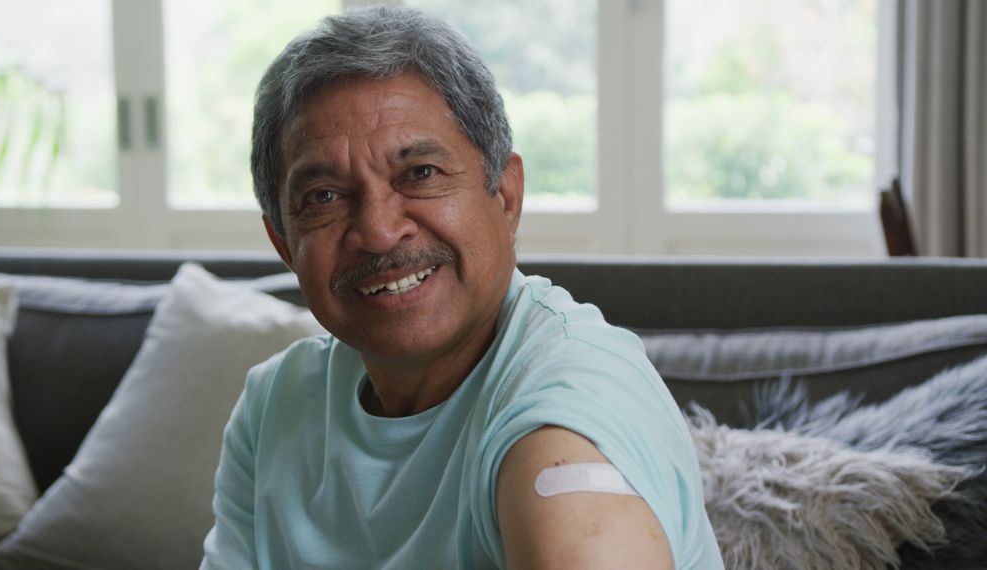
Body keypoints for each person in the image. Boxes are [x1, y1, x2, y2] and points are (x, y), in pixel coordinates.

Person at [201, 6, 722, 569]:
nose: (378, 232)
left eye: (420, 173)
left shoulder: (565, 414)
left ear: (506, 196)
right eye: (324, 196)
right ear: (283, 243)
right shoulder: (276, 405)